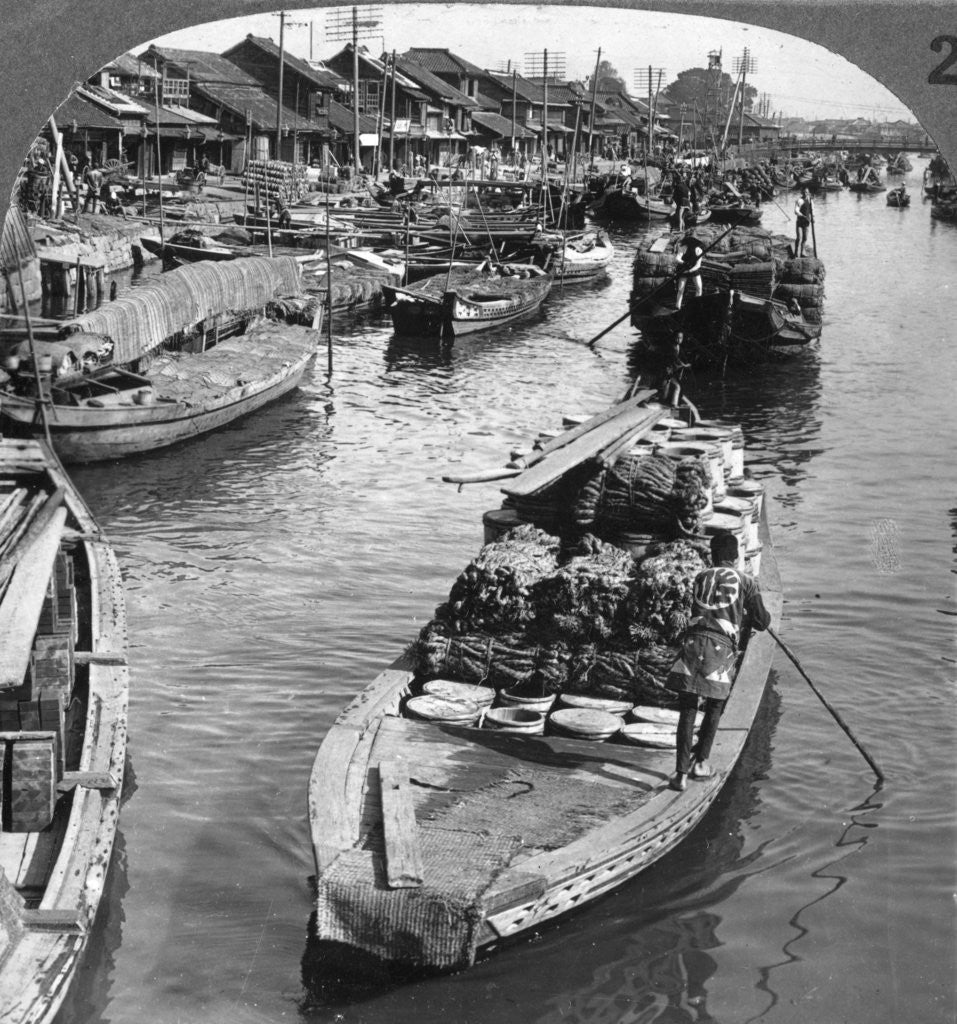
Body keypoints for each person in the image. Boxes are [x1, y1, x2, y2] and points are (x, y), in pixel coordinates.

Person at [666, 532, 771, 791]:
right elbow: (763, 622)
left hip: (692, 643)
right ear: (735, 558)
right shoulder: (746, 581)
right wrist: (745, 613)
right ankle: (700, 763)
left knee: (688, 707)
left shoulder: (701, 577)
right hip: (720, 648)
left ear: (712, 556)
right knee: (714, 705)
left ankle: (680, 774)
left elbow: (703, 610)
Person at [674, 229, 704, 310]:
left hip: (694, 269)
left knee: (699, 288)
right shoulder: (683, 247)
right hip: (684, 268)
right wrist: (684, 263)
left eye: (693, 240)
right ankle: (677, 306)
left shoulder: (699, 250)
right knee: (681, 289)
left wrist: (690, 270)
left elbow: (698, 265)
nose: (691, 242)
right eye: (690, 240)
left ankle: (696, 306)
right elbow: (677, 258)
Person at [794, 187, 812, 257]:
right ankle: (796, 252)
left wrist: (812, 218)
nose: (805, 193)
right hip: (800, 222)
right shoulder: (799, 201)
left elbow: (811, 210)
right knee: (799, 237)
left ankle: (802, 252)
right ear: (802, 193)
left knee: (805, 238)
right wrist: (802, 215)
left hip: (807, 223)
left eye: (806, 192)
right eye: (804, 192)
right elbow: (796, 211)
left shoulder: (810, 201)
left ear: (808, 193)